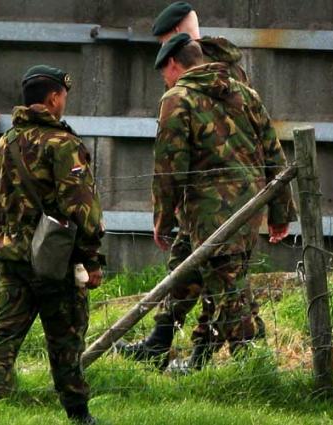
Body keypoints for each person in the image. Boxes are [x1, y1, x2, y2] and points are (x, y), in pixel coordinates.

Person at [116, 1, 266, 369]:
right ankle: (160, 341)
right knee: (185, 265)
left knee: (220, 276)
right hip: (206, 201)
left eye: (168, 42)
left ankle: (218, 355)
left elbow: (173, 162)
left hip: (218, 201)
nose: (163, 54)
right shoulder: (211, 73)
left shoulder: (223, 75)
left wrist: (162, 215)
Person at [0, 65, 105, 423]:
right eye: (63, 97)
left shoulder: (4, 144)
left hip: (10, 255)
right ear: (53, 98)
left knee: (2, 335)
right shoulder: (64, 145)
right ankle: (80, 415)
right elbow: (82, 208)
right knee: (66, 339)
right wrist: (91, 260)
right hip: (53, 260)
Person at [150, 33, 296, 371]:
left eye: (163, 73)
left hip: (207, 212)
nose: (165, 80)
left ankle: (256, 366)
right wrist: (280, 212)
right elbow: (274, 154)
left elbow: (169, 166)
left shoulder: (178, 98)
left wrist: (162, 219)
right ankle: (183, 354)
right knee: (212, 279)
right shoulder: (244, 93)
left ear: (173, 65)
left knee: (228, 292)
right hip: (248, 209)